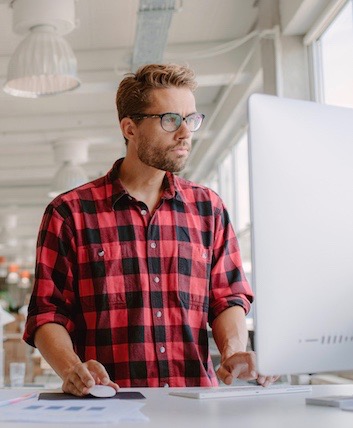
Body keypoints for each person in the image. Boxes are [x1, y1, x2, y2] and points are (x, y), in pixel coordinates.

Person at [24, 63, 277, 396]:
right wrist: (73, 369)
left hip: (194, 407)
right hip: (109, 407)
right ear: (130, 128)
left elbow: (227, 296)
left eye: (191, 119)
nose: (185, 133)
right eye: (170, 120)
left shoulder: (208, 208)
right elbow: (47, 312)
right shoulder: (70, 213)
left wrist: (232, 351)